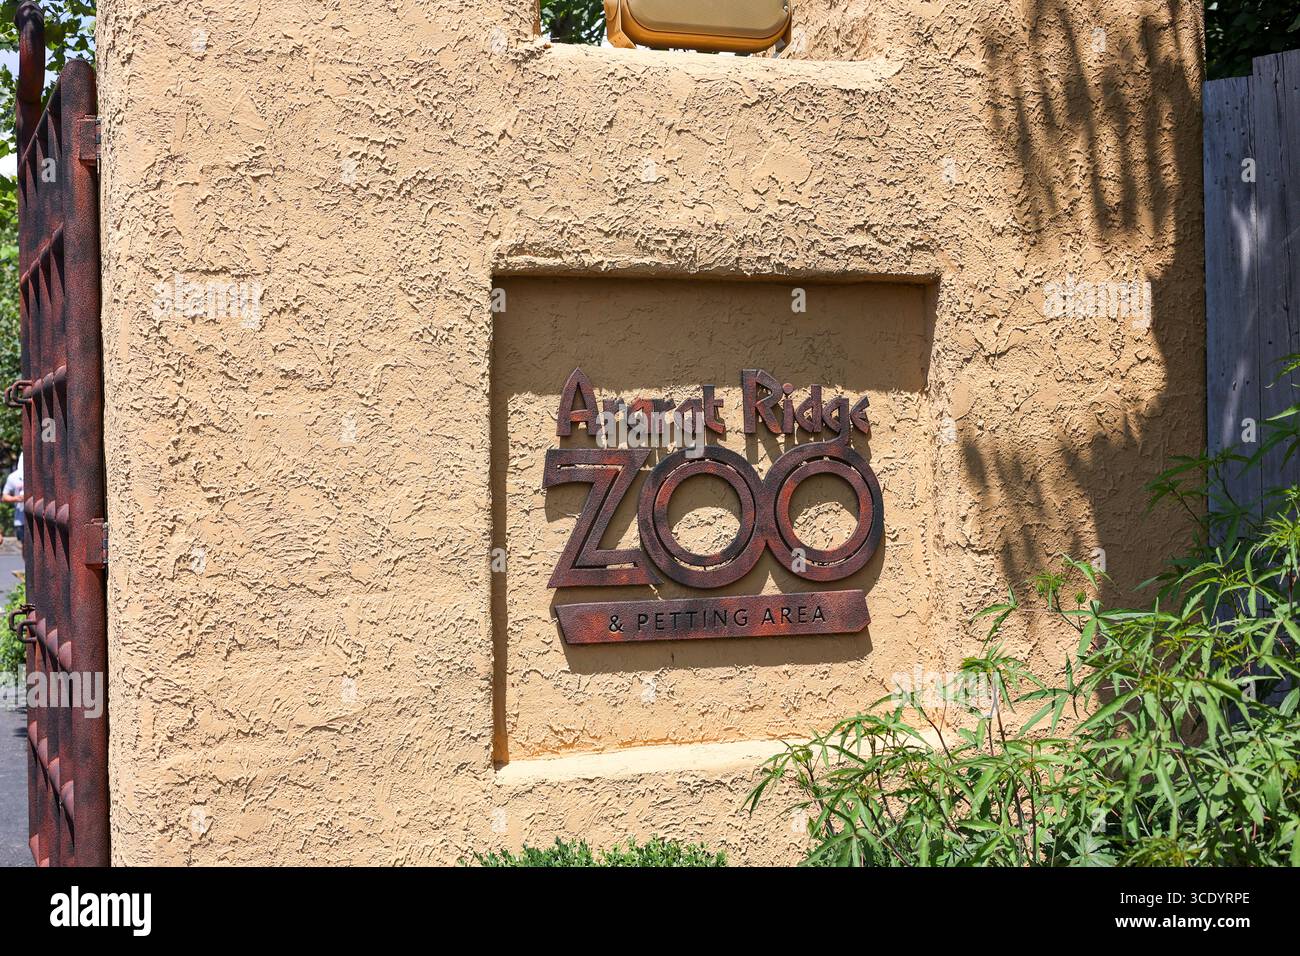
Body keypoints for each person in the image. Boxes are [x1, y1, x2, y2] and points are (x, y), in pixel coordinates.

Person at [3, 454, 24, 549]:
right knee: (25, 547)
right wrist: (16, 498)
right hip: (21, 519)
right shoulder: (13, 477)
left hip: (38, 515)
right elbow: (4, 497)